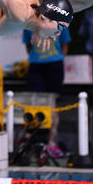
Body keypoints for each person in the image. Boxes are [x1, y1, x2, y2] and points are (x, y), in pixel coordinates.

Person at [22, 27, 72, 158]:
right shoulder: (29, 23)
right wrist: (37, 58)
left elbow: (65, 45)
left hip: (55, 65)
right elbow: (28, 46)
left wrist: (58, 59)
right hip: (36, 65)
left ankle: (51, 142)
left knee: (54, 103)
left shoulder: (59, 22)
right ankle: (29, 142)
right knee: (33, 103)